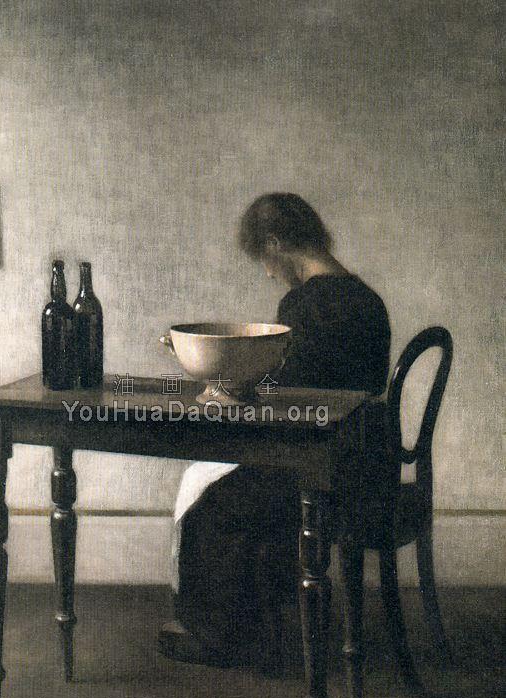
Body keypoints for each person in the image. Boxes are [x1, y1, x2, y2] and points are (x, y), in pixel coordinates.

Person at [158, 193, 391, 667]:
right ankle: (258, 631)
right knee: (234, 493)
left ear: (277, 242)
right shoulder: (367, 299)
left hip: (320, 472)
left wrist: (225, 392)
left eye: (264, 259)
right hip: (362, 462)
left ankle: (219, 639)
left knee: (213, 507)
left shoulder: (304, 304)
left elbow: (285, 400)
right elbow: (319, 385)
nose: (267, 271)